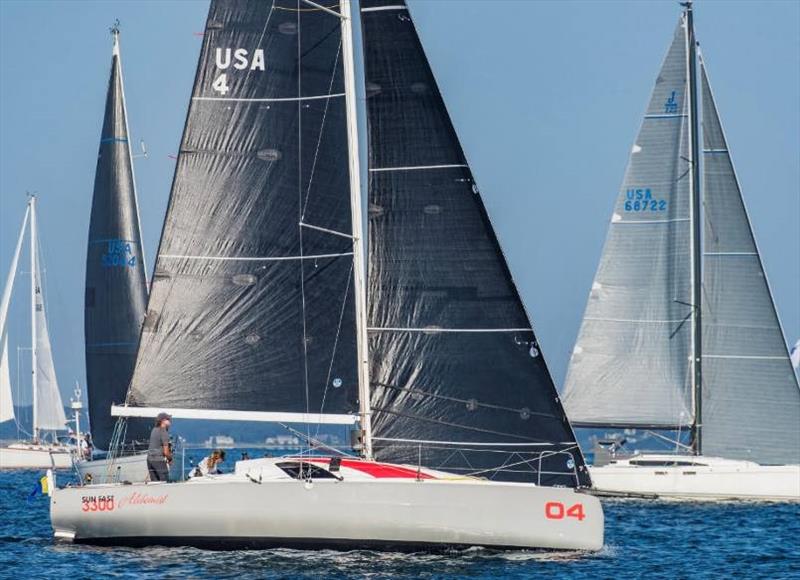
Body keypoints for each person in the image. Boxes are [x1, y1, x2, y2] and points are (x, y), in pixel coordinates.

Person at [147, 412, 173, 482]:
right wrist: (170, 459)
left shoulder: (154, 430)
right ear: (163, 421)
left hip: (149, 460)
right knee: (165, 481)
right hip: (158, 460)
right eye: (168, 419)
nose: (170, 421)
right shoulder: (164, 432)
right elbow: (166, 452)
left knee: (155, 483)